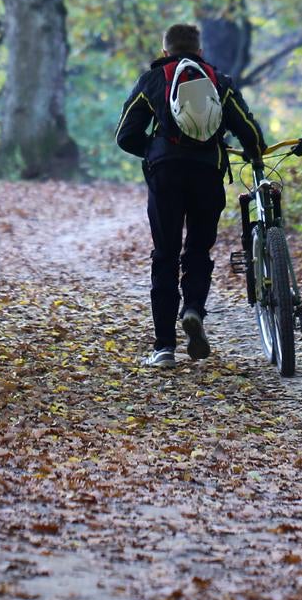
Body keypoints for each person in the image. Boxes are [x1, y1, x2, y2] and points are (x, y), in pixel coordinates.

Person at [114, 22, 267, 368]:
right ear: (199, 51)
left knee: (165, 254)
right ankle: (194, 309)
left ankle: (164, 348)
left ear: (164, 51)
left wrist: (155, 151)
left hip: (165, 174)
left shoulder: (152, 79)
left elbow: (125, 135)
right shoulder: (218, 80)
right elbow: (247, 128)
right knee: (198, 249)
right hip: (206, 173)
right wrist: (255, 151)